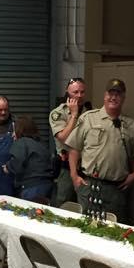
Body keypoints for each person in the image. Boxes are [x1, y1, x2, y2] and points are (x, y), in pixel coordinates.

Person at [66, 79, 134, 221]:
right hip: (90, 186)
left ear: (123, 98)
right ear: (104, 96)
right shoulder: (88, 119)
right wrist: (74, 176)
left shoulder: (131, 125)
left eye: (118, 94)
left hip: (116, 189)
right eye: (110, 93)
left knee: (114, 230)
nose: (113, 98)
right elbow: (74, 148)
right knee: (86, 227)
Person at [49, 77, 88, 206]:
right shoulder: (58, 113)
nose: (79, 96)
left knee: (86, 205)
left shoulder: (90, 111)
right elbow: (64, 137)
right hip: (66, 166)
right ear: (67, 91)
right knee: (64, 204)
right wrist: (74, 115)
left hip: (87, 165)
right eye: (75, 92)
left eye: (82, 92)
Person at [5, 115, 54, 202]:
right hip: (47, 186)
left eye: (14, 131)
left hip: (31, 187)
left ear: (20, 130)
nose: (12, 135)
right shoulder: (40, 144)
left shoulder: (21, 142)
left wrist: (8, 167)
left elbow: (17, 162)